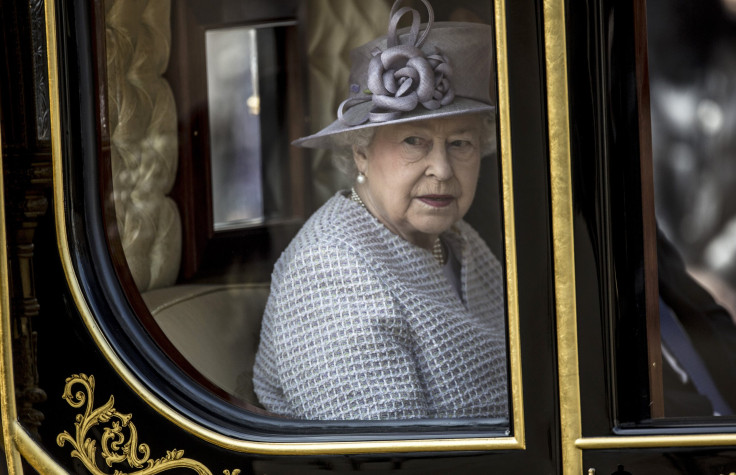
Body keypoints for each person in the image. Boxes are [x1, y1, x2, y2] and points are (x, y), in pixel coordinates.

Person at [252, 0, 508, 420]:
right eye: (414, 141)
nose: (442, 170)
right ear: (361, 153)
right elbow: (384, 455)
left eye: (460, 143)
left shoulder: (459, 241)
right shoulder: (329, 271)